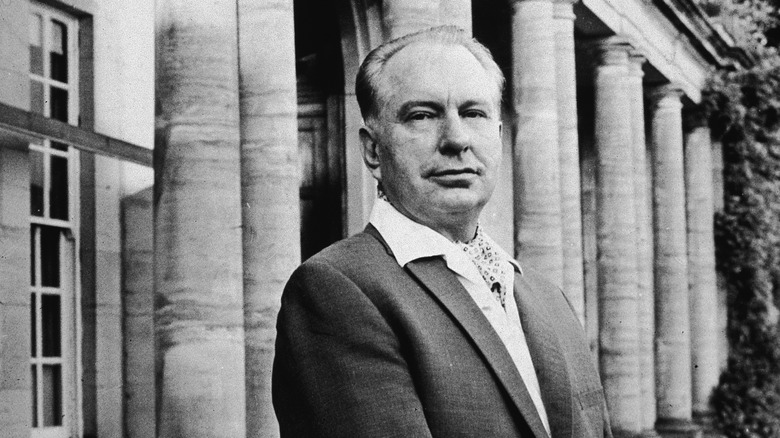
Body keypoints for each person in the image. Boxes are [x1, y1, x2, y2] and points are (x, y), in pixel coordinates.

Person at [272, 25, 611, 438]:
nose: (456, 139)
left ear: (499, 138)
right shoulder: (337, 289)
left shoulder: (547, 297)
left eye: (474, 113)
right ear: (373, 151)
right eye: (422, 115)